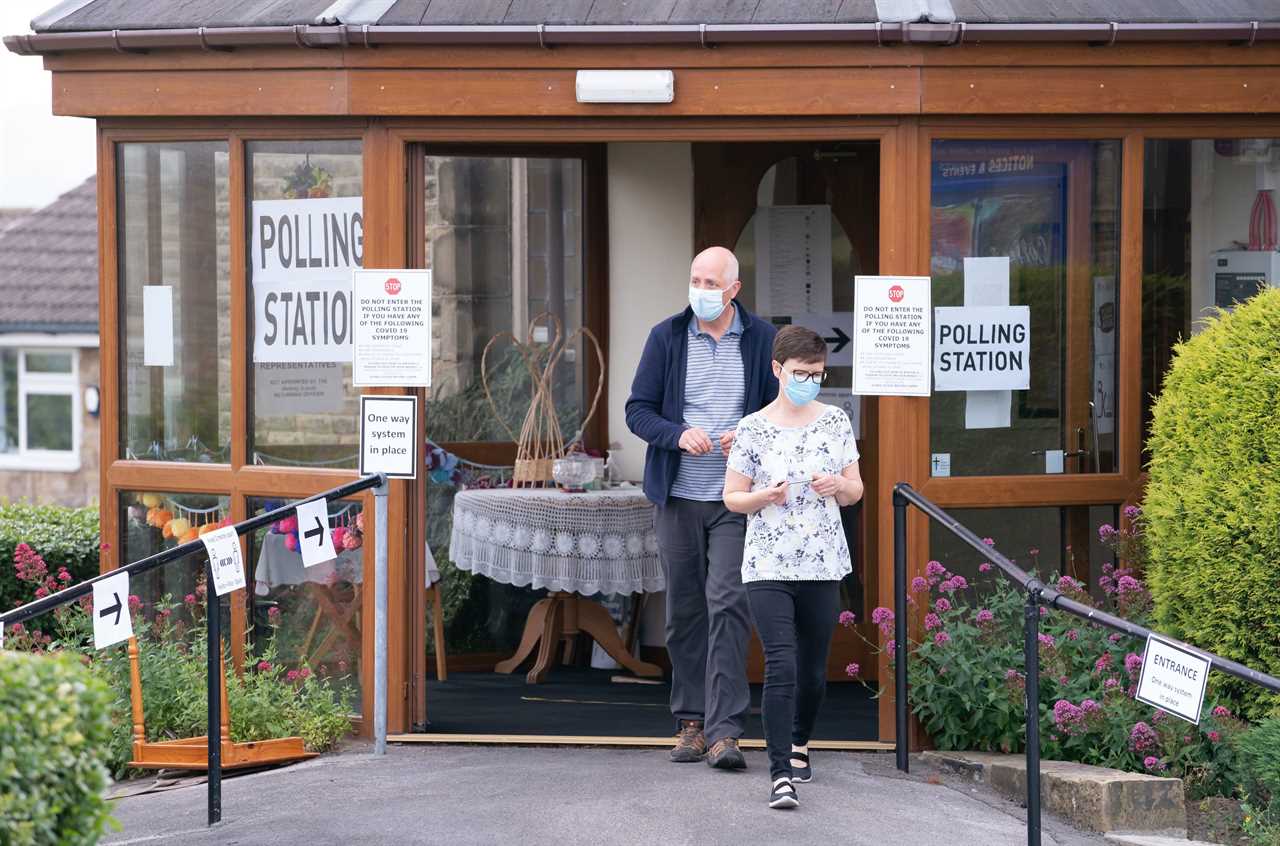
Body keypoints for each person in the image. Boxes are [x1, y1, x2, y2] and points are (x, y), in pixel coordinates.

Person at [625, 246, 778, 770]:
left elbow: (782, 409)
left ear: (734, 289)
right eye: (695, 279)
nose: (702, 290)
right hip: (678, 496)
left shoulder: (761, 340)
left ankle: (726, 732)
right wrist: (676, 434)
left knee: (729, 604)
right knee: (685, 610)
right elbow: (637, 411)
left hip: (736, 498)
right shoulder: (666, 337)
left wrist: (749, 431)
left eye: (712, 282)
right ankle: (690, 723)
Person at [723, 325, 864, 809]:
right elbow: (732, 496)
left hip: (823, 561)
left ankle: (801, 740)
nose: (810, 381)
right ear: (778, 370)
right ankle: (780, 771)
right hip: (767, 562)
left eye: (818, 374)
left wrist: (836, 488)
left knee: (812, 671)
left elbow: (856, 488)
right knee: (780, 665)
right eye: (802, 373)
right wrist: (763, 496)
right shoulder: (752, 428)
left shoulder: (836, 421)